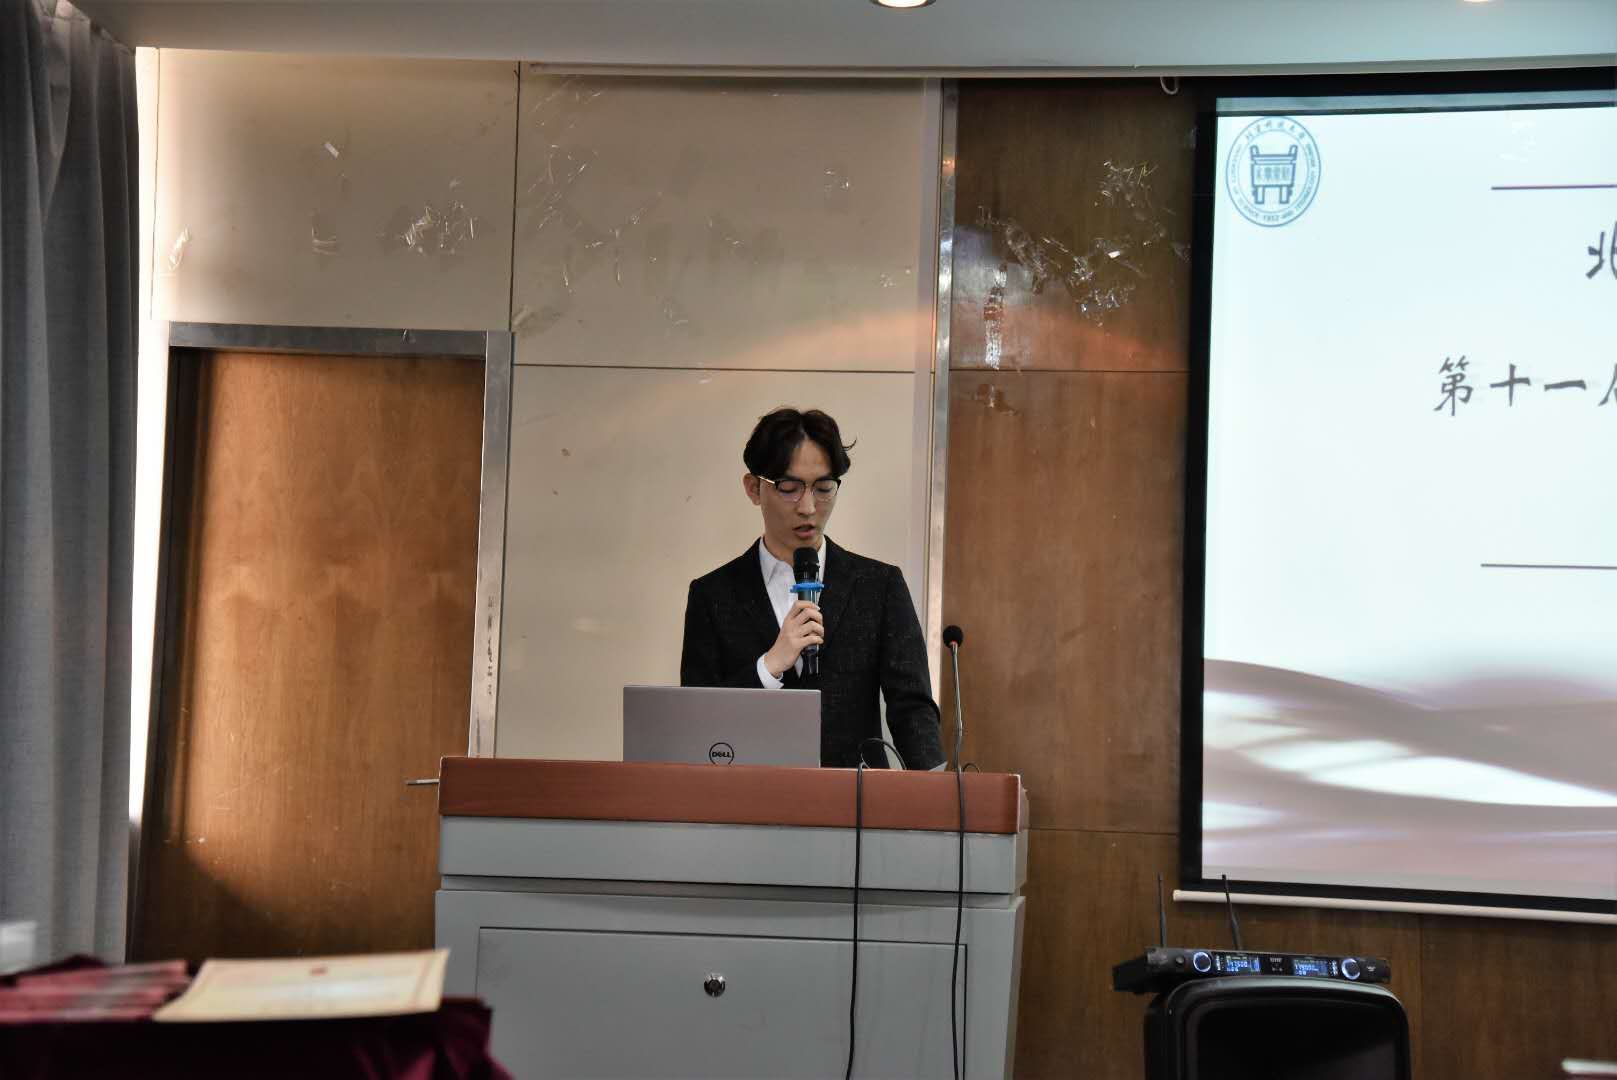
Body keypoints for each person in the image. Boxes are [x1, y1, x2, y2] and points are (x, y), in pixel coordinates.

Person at [680, 407, 945, 770]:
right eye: (789, 489)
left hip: (858, 796)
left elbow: (911, 708)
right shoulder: (713, 595)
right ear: (754, 488)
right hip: (751, 795)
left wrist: (936, 789)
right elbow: (696, 720)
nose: (808, 508)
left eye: (823, 489)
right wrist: (768, 667)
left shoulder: (879, 585)